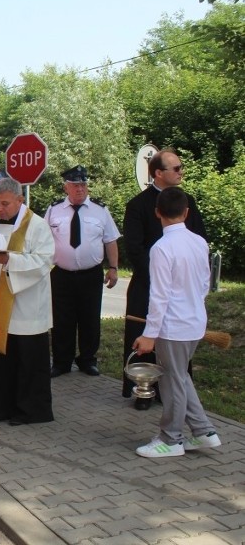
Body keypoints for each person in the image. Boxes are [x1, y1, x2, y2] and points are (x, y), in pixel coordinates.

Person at [132, 187, 220, 458]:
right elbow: (205, 283)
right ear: (186, 212)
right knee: (180, 377)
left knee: (172, 382)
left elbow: (160, 296)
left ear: (157, 212)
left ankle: (171, 439)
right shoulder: (199, 242)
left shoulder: (161, 247)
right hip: (194, 322)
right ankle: (204, 431)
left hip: (173, 326)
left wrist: (149, 334)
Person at [122, 149, 206, 410]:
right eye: (176, 168)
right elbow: (134, 248)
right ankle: (143, 389)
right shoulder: (138, 204)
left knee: (175, 351)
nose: (181, 172)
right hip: (148, 284)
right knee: (143, 340)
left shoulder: (186, 201)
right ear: (158, 173)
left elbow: (199, 239)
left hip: (179, 289)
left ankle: (175, 394)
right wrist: (159, 274)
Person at [0, 177, 55, 428]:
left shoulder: (37, 226)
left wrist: (8, 261)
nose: (0, 209)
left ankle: (29, 411)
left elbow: (44, 261)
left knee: (25, 361)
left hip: (25, 305)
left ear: (20, 200)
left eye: (5, 203)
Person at [45, 166, 120, 378]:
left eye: (83, 185)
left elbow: (111, 241)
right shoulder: (54, 210)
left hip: (90, 274)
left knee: (90, 318)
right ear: (65, 187)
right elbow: (42, 239)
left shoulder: (100, 210)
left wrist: (113, 268)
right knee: (62, 320)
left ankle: (88, 360)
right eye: (75, 185)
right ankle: (61, 362)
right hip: (61, 273)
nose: (80, 189)